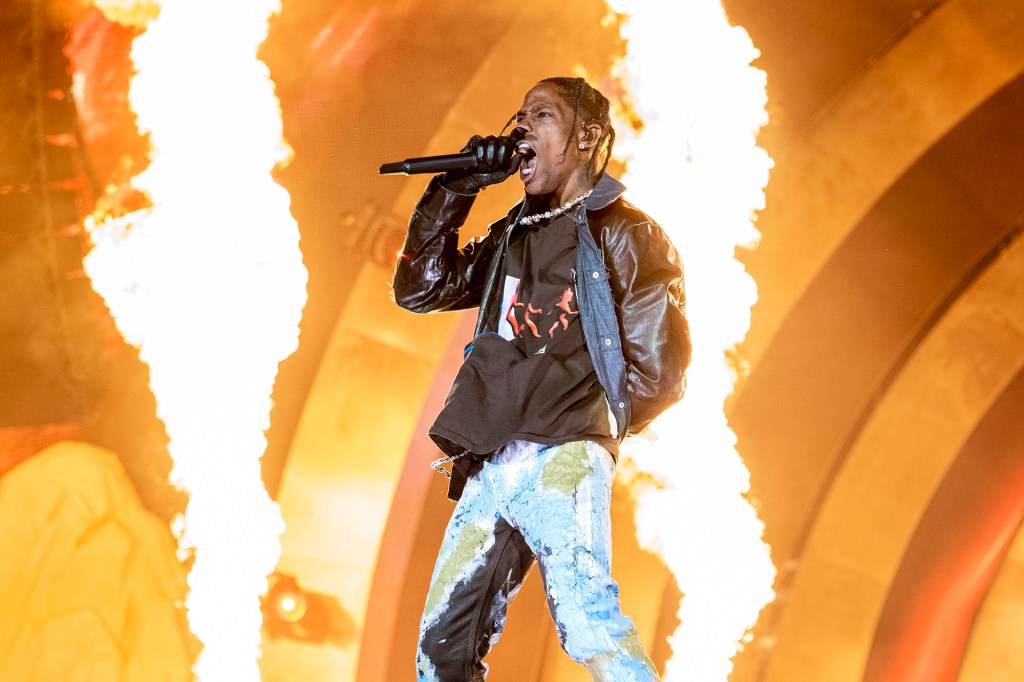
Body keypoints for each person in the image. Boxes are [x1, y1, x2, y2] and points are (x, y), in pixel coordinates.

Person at [392, 76, 691, 682]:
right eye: (519, 116)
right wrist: (457, 185)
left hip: (564, 456)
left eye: (541, 115)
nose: (521, 127)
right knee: (441, 652)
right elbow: (420, 288)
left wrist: (584, 422)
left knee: (587, 626)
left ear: (585, 137)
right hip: (494, 459)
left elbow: (661, 368)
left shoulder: (625, 232)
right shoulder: (510, 234)